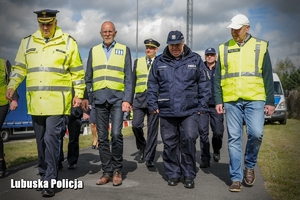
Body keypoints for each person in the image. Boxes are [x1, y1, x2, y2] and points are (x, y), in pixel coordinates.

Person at [6, 9, 86, 197]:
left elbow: (77, 72)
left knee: (51, 139)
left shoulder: (68, 42)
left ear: (55, 22)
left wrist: (79, 94)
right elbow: (19, 68)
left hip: (57, 103)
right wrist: (12, 85)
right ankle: (44, 174)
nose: (45, 27)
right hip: (36, 103)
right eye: (42, 23)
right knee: (41, 141)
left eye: (49, 23)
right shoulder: (27, 42)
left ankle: (50, 179)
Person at [214, 14, 275, 192]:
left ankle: (249, 165)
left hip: (255, 98)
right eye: (232, 28)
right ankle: (236, 178)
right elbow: (218, 76)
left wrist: (270, 101)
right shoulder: (224, 48)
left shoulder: (260, 46)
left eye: (237, 29)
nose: (234, 32)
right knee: (234, 138)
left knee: (256, 134)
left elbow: (267, 76)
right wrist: (218, 99)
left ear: (247, 28)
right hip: (231, 100)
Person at [147, 30, 211, 189]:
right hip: (167, 110)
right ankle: (173, 173)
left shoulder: (195, 59)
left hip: (190, 110)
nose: (175, 48)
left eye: (178, 45)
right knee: (169, 143)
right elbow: (152, 85)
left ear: (183, 43)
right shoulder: (159, 61)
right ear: (168, 45)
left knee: (189, 139)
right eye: (172, 45)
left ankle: (189, 174)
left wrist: (202, 106)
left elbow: (204, 85)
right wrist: (152, 104)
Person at [85, 21, 133, 187]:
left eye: (110, 31)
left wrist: (127, 99)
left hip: (118, 99)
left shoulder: (124, 50)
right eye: (104, 32)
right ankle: (107, 171)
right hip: (99, 100)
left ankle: (117, 170)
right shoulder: (93, 51)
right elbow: (88, 78)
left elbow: (129, 77)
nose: (107, 34)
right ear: (100, 33)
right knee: (102, 138)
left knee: (117, 134)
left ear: (115, 32)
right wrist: (90, 98)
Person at [132, 38, 160, 167]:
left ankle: (149, 157)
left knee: (152, 130)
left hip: (154, 99)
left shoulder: (160, 62)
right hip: (139, 98)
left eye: (151, 48)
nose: (148, 49)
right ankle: (142, 146)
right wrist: (128, 100)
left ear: (156, 50)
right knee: (136, 125)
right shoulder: (138, 62)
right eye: (147, 47)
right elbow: (132, 82)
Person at [198, 48, 224, 168]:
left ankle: (217, 149)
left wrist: (223, 102)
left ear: (216, 56)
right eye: (207, 55)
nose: (209, 56)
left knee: (218, 132)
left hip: (216, 105)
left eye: (212, 55)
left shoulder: (221, 69)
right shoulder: (200, 68)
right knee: (203, 133)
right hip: (202, 105)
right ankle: (205, 158)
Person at [59, 90, 89, 170]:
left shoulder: (78, 78)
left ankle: (72, 161)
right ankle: (58, 160)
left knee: (74, 138)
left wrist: (86, 111)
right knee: (58, 136)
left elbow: (83, 89)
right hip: (61, 109)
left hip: (75, 111)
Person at [0, 58, 19, 178]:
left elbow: (12, 82)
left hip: (2, 102)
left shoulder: (4, 63)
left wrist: (14, 99)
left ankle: (0, 163)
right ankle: (2, 163)